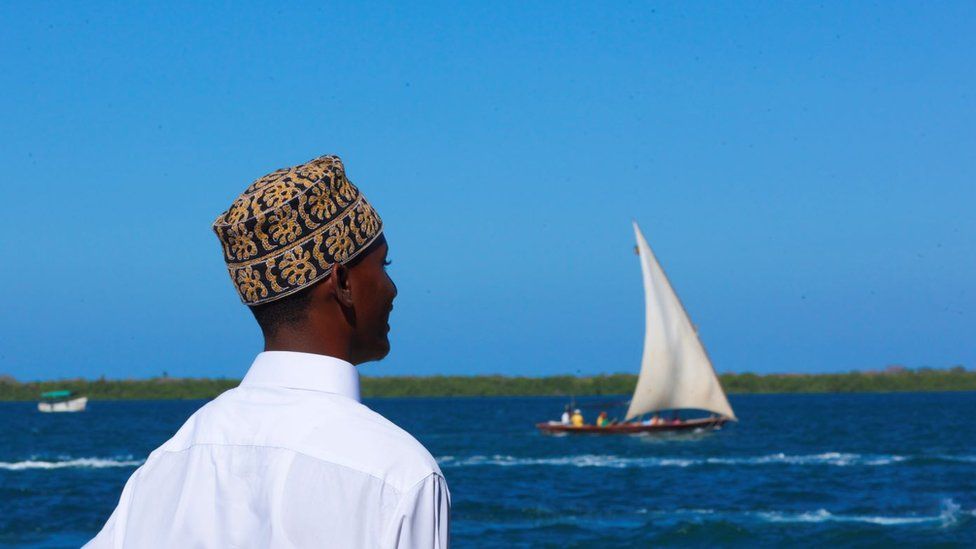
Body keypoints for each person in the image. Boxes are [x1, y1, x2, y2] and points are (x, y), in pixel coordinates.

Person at [86, 155, 450, 548]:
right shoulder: (397, 476)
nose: (392, 289)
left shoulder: (167, 464)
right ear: (343, 281)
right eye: (384, 265)